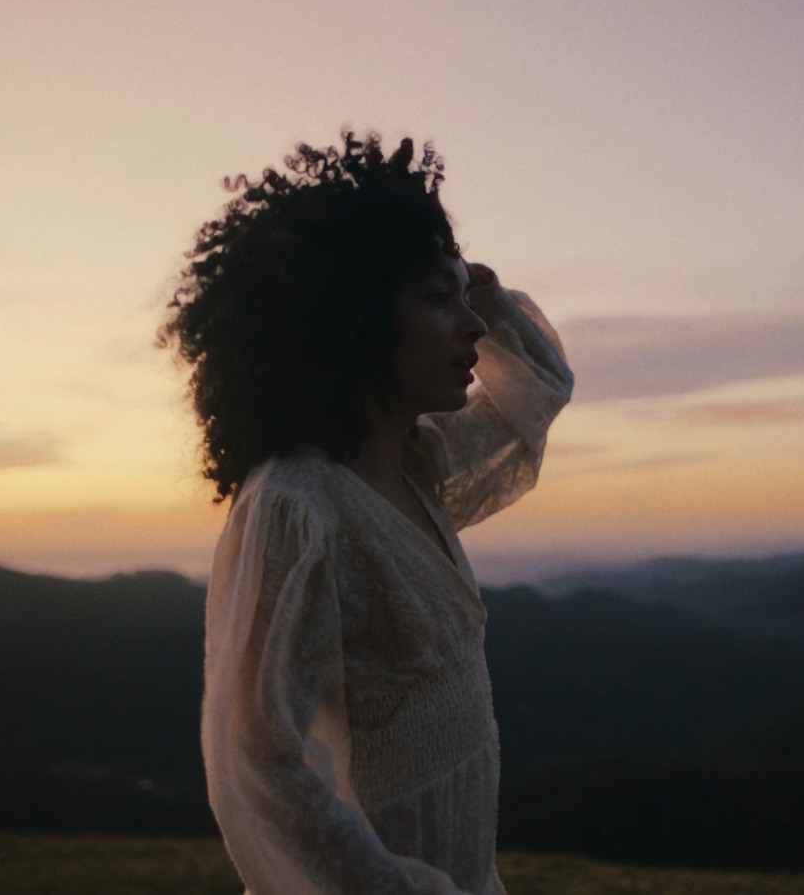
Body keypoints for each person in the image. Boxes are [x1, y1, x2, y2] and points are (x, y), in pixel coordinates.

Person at [161, 130, 573, 894]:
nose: (474, 327)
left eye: (464, 300)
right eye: (434, 299)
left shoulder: (421, 468)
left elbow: (540, 387)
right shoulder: (297, 507)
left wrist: (465, 280)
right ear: (353, 314)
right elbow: (258, 766)